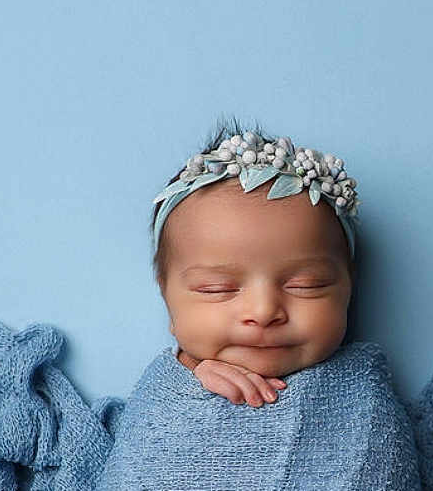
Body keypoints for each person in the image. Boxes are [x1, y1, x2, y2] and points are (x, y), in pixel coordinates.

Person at [150, 119, 359, 407]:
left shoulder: (363, 384)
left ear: (349, 286)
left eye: (306, 285)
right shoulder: (165, 392)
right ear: (167, 298)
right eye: (217, 288)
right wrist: (188, 376)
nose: (263, 312)